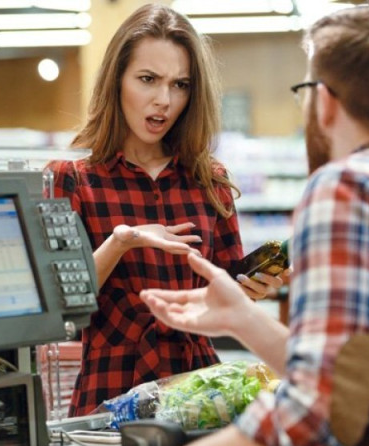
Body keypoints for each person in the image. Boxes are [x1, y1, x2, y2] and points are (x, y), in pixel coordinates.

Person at [51, 1, 369, 446]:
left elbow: (316, 413)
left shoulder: (349, 188)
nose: (165, 99)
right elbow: (359, 385)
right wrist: (241, 317)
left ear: (326, 101)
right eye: (148, 79)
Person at [44, 4, 283, 417]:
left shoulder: (210, 179)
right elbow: (60, 301)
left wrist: (250, 291)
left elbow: (222, 294)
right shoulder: (72, 179)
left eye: (180, 84)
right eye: (148, 80)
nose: (164, 101)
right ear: (116, 80)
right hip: (110, 390)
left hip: (200, 390)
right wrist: (122, 241)